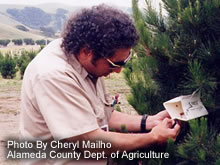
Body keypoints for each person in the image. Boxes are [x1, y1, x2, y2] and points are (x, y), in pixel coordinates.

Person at [20, 4, 180, 165]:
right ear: (87, 51)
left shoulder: (86, 60)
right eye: (114, 64)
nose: (118, 71)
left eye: (125, 62)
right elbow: (89, 142)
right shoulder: (54, 76)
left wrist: (148, 121)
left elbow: (100, 114)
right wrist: (151, 138)